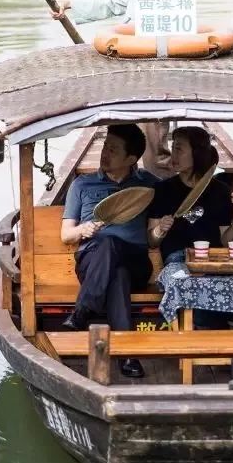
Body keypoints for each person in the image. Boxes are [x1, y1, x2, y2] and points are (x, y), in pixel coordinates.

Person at [50, 0, 190, 178]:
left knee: (153, 148)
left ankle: (162, 205)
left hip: (156, 71)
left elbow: (176, 35)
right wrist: (69, 4)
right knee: (123, 135)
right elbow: (112, 0)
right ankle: (126, 194)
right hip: (128, 65)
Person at [60, 123, 158, 378]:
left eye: (113, 150)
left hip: (136, 260)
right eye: (105, 146)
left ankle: (83, 310)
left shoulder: (148, 185)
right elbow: (66, 235)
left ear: (132, 159)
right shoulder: (82, 184)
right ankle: (128, 356)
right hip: (92, 261)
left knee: (116, 252)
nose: (105, 153)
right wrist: (84, 229)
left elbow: (180, 198)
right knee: (116, 271)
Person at [146, 127, 233, 265]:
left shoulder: (220, 191)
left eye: (179, 149)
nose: (173, 155)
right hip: (178, 259)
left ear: (197, 153)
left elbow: (225, 242)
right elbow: (152, 242)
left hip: (213, 258)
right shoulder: (162, 189)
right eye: (173, 148)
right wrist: (159, 229)